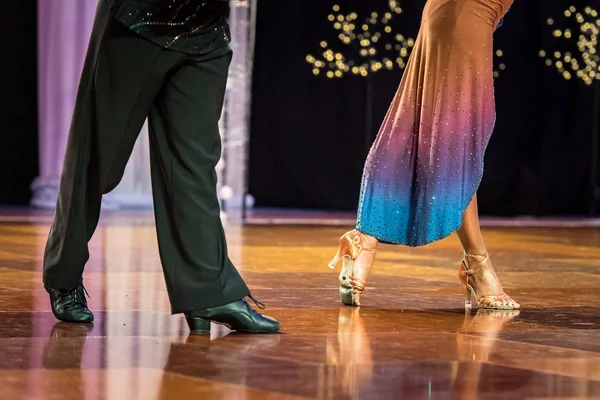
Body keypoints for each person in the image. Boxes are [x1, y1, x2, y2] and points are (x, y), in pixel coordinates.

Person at [42, 0, 280, 334]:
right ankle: (63, 277)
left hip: (206, 30)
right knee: (97, 154)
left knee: (194, 165)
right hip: (138, 22)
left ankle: (207, 292)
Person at [329, 0, 519, 310]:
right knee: (456, 141)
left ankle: (365, 239)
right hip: (467, 13)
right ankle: (477, 264)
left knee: (427, 131)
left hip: (463, 14)